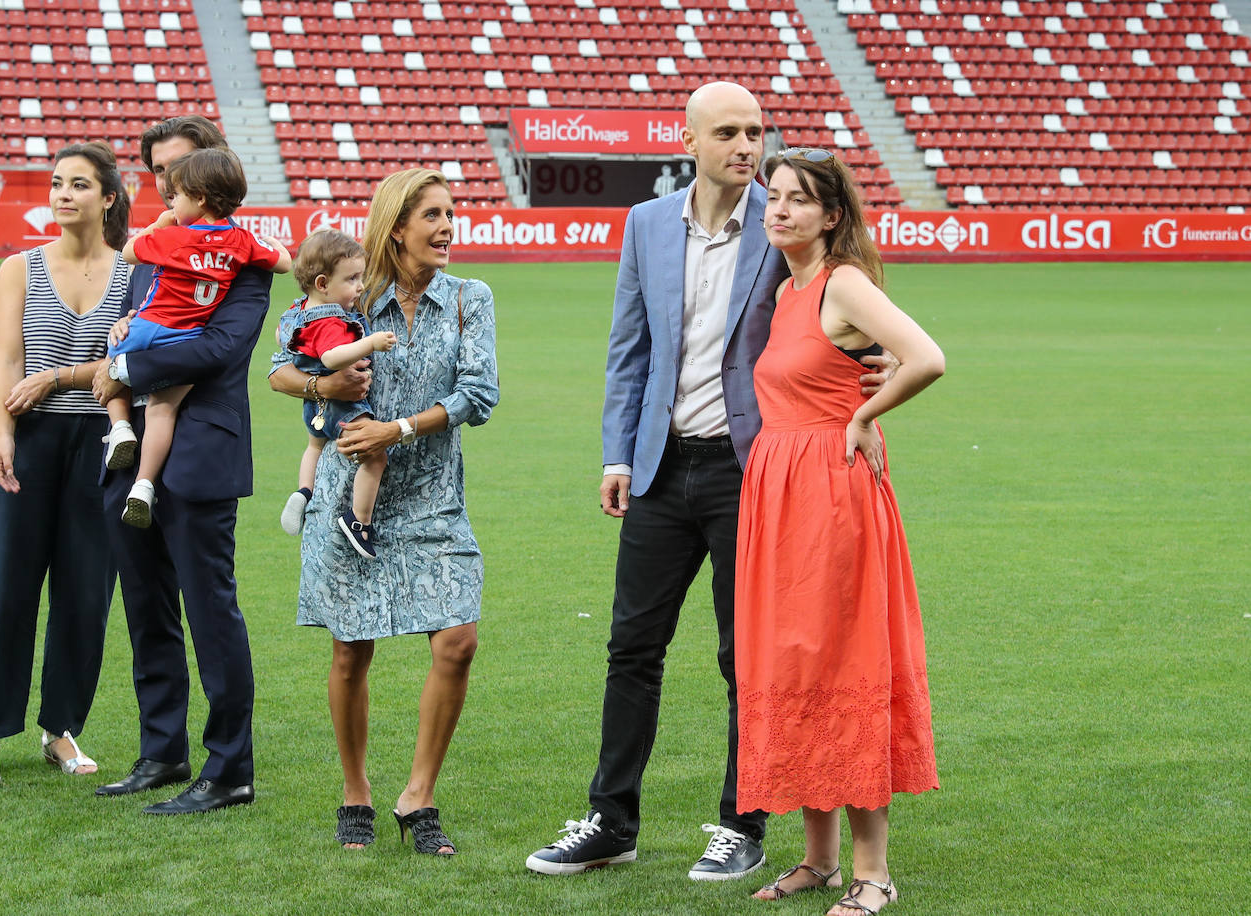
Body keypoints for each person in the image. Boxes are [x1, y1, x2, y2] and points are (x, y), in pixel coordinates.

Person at [525, 82, 895, 879]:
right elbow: (630, 347)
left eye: (756, 131)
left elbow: (844, 300)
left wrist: (883, 361)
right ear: (687, 140)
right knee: (632, 647)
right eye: (728, 131)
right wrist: (617, 455)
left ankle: (744, 823)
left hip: (754, 470)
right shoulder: (648, 224)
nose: (746, 146)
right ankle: (610, 819)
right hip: (659, 468)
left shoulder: (782, 221)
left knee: (749, 656)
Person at [269, 168, 498, 854]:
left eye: (451, 213)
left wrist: (396, 431)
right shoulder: (348, 294)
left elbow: (478, 396)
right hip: (349, 498)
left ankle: (418, 795)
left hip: (432, 496)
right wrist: (324, 381)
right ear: (397, 226)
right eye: (433, 214)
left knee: (458, 639)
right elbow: (279, 368)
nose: (447, 226)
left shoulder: (469, 298)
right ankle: (355, 793)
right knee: (349, 652)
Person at [739, 148, 942, 914]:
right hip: (781, 495)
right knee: (796, 664)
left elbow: (927, 357)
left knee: (841, 658)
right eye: (774, 197)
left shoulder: (843, 282)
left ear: (832, 215)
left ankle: (873, 872)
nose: (779, 210)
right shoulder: (788, 290)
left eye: (797, 200)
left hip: (831, 492)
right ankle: (818, 859)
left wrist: (863, 413)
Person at [91, 115, 275, 814]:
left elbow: (219, 351)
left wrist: (126, 363)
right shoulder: (162, 249)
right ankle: (162, 753)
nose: (166, 181)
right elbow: (139, 321)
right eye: (158, 170)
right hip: (131, 450)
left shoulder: (244, 258)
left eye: (179, 166)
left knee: (209, 612)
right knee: (146, 610)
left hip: (201, 454)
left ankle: (230, 771)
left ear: (212, 171)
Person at [0, 141, 132, 786]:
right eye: (57, 183)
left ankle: (61, 728)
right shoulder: (20, 267)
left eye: (80, 185)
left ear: (108, 197)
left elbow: (129, 364)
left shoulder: (133, 272)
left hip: (103, 446)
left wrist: (61, 378)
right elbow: (8, 364)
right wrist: (5, 436)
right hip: (25, 443)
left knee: (86, 595)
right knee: (5, 590)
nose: (63, 194)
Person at [102, 147, 291, 528]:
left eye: (177, 196)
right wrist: (272, 243)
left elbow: (127, 253)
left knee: (113, 359)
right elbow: (284, 262)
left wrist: (161, 223)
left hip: (147, 326)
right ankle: (143, 485)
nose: (172, 203)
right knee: (163, 409)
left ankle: (120, 426)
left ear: (199, 197)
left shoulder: (174, 239)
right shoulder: (241, 243)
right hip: (185, 336)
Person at [275, 229, 397, 553]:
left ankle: (304, 492)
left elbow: (281, 337)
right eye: (352, 279)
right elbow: (331, 356)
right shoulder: (332, 320)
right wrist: (370, 343)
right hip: (342, 406)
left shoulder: (298, 311)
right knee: (375, 456)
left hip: (313, 406)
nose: (360, 287)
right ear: (323, 284)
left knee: (314, 447)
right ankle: (359, 520)